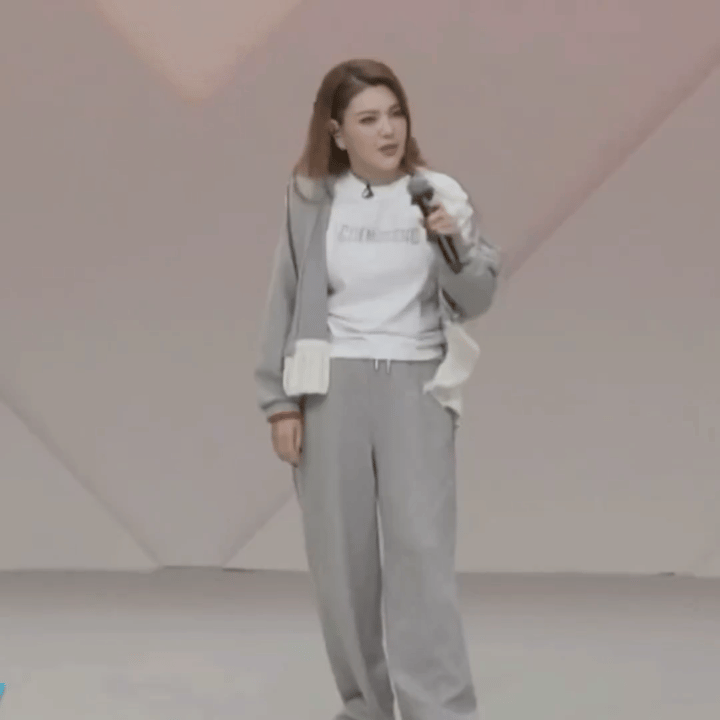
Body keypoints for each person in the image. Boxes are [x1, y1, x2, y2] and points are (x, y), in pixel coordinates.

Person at [255, 58, 500, 720]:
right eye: (368, 119)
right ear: (337, 132)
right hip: (330, 387)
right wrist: (280, 403)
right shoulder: (310, 198)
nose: (388, 130)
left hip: (416, 385)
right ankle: (364, 706)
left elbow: (477, 297)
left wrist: (453, 245)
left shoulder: (439, 193)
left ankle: (440, 709)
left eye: (395, 114)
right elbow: (285, 297)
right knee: (342, 564)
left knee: (422, 557)